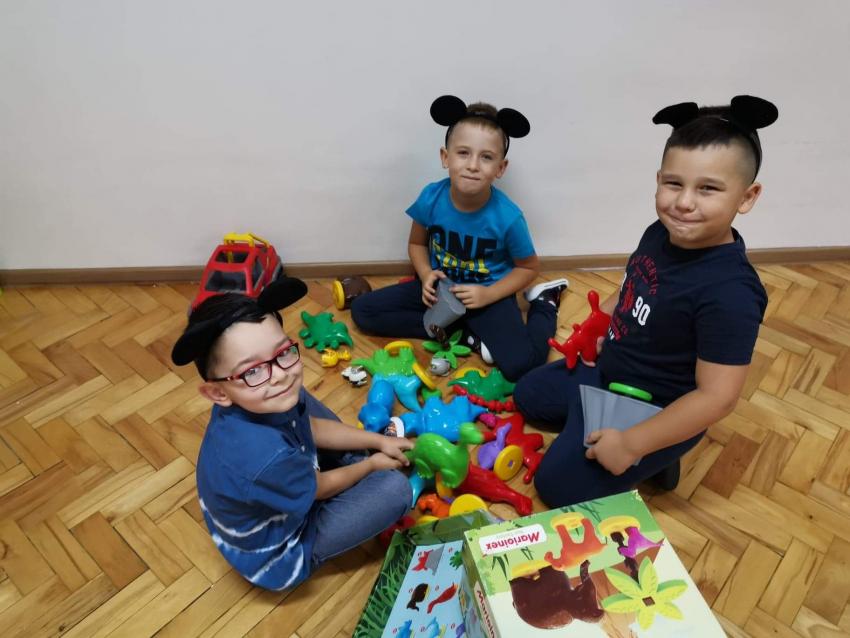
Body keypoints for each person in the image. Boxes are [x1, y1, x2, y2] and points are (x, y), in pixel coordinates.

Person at [514, 95, 778, 507]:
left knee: (556, 487)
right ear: (658, 180)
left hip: (656, 409)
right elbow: (633, 285)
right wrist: (599, 325)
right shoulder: (659, 232)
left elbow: (717, 397)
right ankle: (607, 438)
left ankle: (656, 452)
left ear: (747, 196)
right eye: (673, 183)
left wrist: (632, 444)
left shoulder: (731, 293)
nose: (684, 202)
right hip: (611, 373)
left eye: (708, 188)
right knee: (528, 395)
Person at [170, 278, 413, 590]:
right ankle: (359, 471)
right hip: (284, 550)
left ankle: (355, 466)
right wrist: (371, 465)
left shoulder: (259, 395)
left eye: (282, 352)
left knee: (297, 400)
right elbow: (319, 488)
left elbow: (312, 426)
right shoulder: (263, 456)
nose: (280, 375)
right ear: (217, 393)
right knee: (396, 489)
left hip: (285, 475)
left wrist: (379, 440)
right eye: (252, 370)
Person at [351, 95, 568, 381]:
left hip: (488, 296)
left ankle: (545, 302)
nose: (473, 165)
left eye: (486, 157)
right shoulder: (431, 197)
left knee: (520, 366)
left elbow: (528, 267)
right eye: (463, 153)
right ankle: (465, 333)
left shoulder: (508, 217)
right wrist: (426, 274)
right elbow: (416, 244)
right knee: (363, 312)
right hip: (440, 290)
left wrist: (489, 294)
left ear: (501, 168)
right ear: (446, 157)